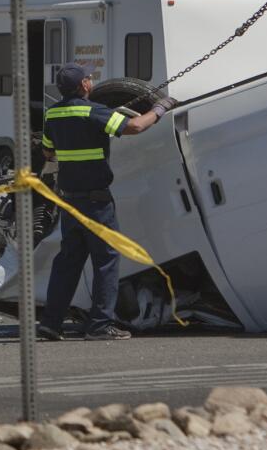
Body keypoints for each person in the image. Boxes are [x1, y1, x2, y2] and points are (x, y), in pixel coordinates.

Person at [37, 64, 175, 341]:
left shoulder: (52, 114)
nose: (91, 81)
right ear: (84, 86)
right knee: (106, 261)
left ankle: (51, 323)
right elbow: (135, 126)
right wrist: (161, 107)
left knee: (68, 262)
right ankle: (100, 325)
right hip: (96, 202)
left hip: (70, 202)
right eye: (89, 78)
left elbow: (47, 151)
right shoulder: (93, 111)